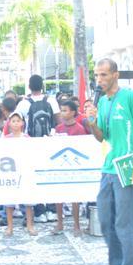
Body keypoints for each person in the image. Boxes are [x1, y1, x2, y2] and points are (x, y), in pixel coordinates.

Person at [86, 59, 133, 265]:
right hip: (108, 167)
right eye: (97, 75)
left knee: (124, 223)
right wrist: (92, 122)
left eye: (104, 75)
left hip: (128, 166)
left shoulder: (130, 97)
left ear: (116, 75)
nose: (99, 80)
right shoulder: (102, 102)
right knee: (105, 220)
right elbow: (101, 137)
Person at [14, 75, 59, 223]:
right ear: (42, 85)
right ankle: (52, 210)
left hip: (30, 144)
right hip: (49, 143)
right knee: (50, 175)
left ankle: (40, 212)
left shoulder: (23, 103)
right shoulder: (51, 100)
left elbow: (16, 121)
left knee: (34, 176)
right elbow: (57, 121)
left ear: (29, 86)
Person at [53, 101, 85, 236]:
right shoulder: (58, 128)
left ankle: (76, 225)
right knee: (58, 197)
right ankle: (59, 223)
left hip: (74, 168)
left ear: (72, 112)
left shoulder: (79, 129)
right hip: (59, 167)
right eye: (61, 110)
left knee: (75, 197)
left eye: (65, 110)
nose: (62, 113)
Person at [3, 112, 36, 236]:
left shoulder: (26, 138)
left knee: (28, 201)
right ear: (9, 123)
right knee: (9, 201)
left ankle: (30, 225)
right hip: (11, 172)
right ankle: (10, 226)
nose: (16, 123)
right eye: (13, 121)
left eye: (18, 121)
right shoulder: (5, 139)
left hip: (25, 171)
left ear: (22, 123)